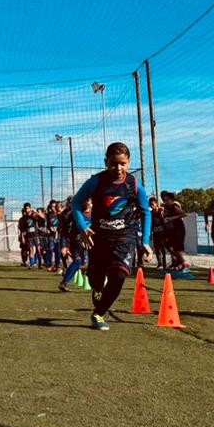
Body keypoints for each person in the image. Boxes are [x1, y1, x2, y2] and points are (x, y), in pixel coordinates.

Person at [71, 142, 153, 331]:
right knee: (96, 279)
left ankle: (98, 314)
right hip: (99, 238)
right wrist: (83, 227)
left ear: (128, 162)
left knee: (118, 276)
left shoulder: (134, 185)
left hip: (125, 237)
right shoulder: (96, 182)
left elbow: (145, 212)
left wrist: (145, 241)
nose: (118, 168)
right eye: (113, 163)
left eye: (123, 164)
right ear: (106, 162)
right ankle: (97, 288)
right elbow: (76, 203)